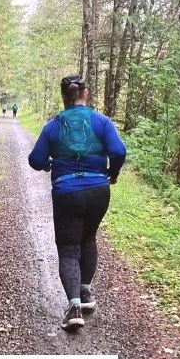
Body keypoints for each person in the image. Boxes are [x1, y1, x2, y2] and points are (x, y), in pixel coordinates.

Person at [27, 74, 126, 331]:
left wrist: (49, 164)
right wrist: (112, 173)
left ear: (64, 97)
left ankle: (73, 308)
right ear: (86, 94)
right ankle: (86, 292)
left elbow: (35, 159)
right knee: (88, 238)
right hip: (98, 191)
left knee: (69, 248)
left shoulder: (54, 126)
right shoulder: (101, 122)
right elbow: (118, 151)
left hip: (67, 192)